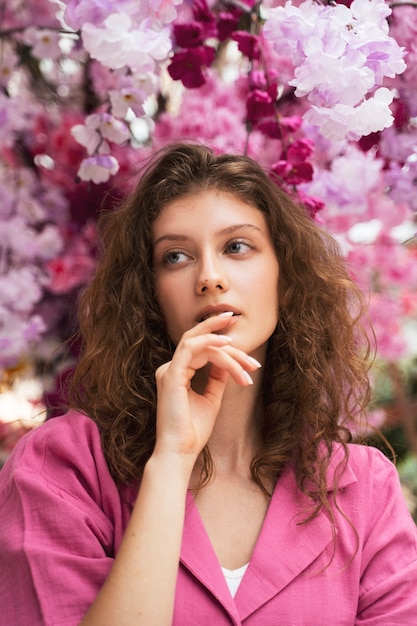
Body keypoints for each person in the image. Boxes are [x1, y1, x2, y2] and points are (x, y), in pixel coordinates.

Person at [0, 142, 416, 626]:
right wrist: (171, 461)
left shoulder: (363, 488)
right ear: (150, 294)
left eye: (237, 247)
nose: (210, 277)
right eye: (175, 256)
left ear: (283, 275)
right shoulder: (61, 467)